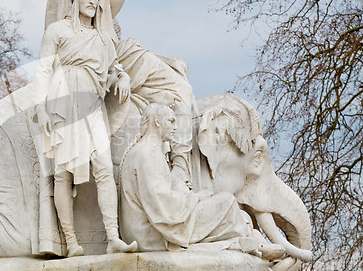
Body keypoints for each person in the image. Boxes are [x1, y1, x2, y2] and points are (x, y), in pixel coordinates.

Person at [33, 0, 137, 257]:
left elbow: (114, 70)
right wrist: (41, 108)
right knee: (63, 173)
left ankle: (113, 238)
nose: (92, 1)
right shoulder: (58, 31)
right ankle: (70, 242)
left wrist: (123, 77)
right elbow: (43, 70)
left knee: (104, 168)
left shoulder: (103, 39)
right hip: (64, 102)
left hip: (93, 105)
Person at [119, 103, 285, 258]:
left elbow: (162, 197)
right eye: (171, 121)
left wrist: (194, 195)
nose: (175, 127)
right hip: (152, 235)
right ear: (157, 121)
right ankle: (248, 243)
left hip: (155, 227)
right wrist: (195, 198)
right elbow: (163, 206)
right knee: (226, 201)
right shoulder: (146, 153)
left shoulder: (149, 152)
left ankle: (249, 242)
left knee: (231, 209)